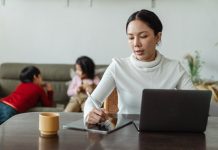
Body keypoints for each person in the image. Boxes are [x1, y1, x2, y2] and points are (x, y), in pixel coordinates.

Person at [84, 9, 194, 124]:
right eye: (131, 37)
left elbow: (195, 103)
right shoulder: (118, 67)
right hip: (126, 136)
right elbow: (93, 100)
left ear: (158, 37)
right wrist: (89, 114)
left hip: (164, 136)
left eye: (143, 36)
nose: (136, 43)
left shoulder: (174, 68)